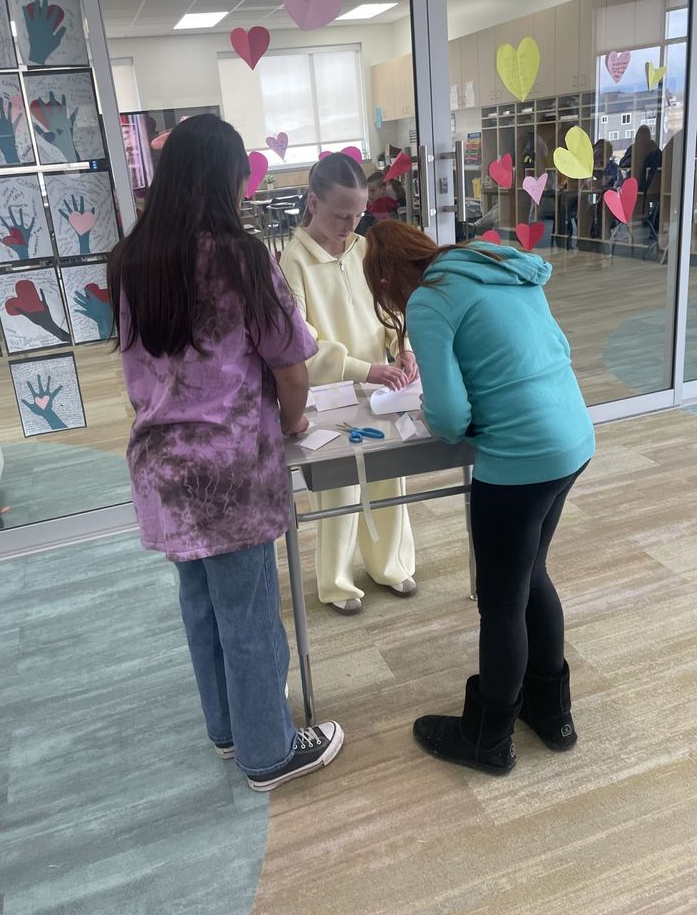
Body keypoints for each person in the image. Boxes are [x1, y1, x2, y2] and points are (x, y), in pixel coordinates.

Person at [107, 114, 343, 792]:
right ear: (226, 180)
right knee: (247, 611)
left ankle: (228, 728)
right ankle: (268, 752)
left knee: (201, 603)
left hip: (162, 466)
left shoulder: (129, 261)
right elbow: (292, 369)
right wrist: (293, 423)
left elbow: (136, 374)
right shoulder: (242, 259)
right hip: (229, 469)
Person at [363, 220, 595, 775]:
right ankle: (551, 713)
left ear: (388, 275)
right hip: (572, 437)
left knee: (500, 603)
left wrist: (449, 418)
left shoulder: (430, 299)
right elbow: (554, 347)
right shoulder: (502, 267)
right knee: (531, 572)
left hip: (519, 458)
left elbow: (446, 415)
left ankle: (488, 737)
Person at [279, 153, 417, 615]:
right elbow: (302, 344)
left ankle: (390, 564)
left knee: (388, 475)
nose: (351, 224)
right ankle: (337, 582)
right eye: (342, 215)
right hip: (331, 389)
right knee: (340, 486)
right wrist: (364, 369)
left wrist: (405, 346)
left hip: (383, 383)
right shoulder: (292, 261)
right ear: (313, 203)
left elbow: (391, 307)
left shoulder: (362, 249)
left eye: (359, 214)